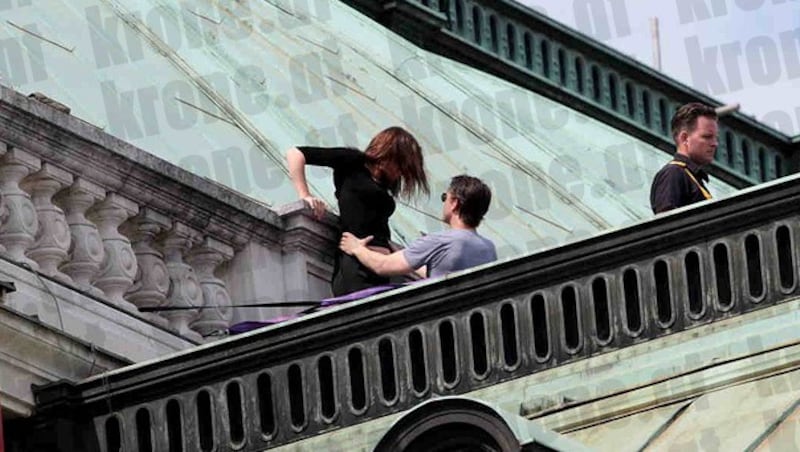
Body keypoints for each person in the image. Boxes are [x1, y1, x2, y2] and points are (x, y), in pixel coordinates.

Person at [286, 127, 429, 296]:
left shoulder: (384, 183)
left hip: (380, 267)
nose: (399, 173)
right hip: (357, 264)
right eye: (400, 165)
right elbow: (295, 154)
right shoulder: (352, 162)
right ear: (388, 153)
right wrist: (306, 195)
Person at [339, 175, 497, 279]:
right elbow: (437, 273)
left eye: (445, 197)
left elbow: (383, 266)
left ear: (455, 203)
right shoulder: (489, 249)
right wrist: (401, 252)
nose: (444, 203)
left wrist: (357, 249)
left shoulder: (440, 241)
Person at [650, 102, 719, 214]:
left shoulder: (688, 176)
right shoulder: (673, 173)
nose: (715, 143)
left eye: (716, 138)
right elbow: (666, 225)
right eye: (707, 137)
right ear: (685, 138)